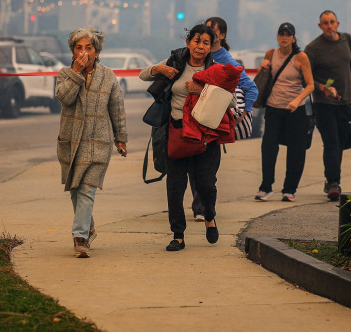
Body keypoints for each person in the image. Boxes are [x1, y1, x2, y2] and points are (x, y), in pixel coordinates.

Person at [139, 23, 234, 251]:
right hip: (177, 133)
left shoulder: (218, 69)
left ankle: (210, 216)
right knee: (175, 187)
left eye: (206, 43)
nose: (200, 47)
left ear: (211, 47)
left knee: (206, 185)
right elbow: (143, 75)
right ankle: (178, 235)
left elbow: (231, 101)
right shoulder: (176, 62)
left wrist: (202, 90)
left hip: (204, 137)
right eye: (196, 41)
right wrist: (160, 70)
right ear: (188, 42)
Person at [55, 27, 127, 258]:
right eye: (79, 48)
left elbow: (117, 109)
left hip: (98, 142)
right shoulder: (65, 74)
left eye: (89, 48)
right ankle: (88, 225)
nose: (84, 52)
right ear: (73, 51)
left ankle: (80, 238)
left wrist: (121, 138)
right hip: (71, 142)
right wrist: (76, 73)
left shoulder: (108, 76)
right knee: (75, 190)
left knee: (87, 190)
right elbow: (64, 98)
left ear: (97, 52)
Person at [184, 16, 258, 221]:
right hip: (191, 119)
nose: (204, 34)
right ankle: (200, 206)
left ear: (221, 36)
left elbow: (250, 87)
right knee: (192, 164)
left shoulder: (223, 59)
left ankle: (202, 208)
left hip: (210, 121)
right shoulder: (192, 55)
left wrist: (244, 112)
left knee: (205, 167)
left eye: (211, 32)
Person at [304, 11, 351, 202]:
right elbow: (306, 76)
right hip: (324, 104)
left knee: (342, 141)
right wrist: (321, 87)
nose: (329, 26)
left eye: (332, 22)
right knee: (332, 142)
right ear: (320, 26)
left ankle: (332, 179)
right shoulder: (313, 48)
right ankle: (333, 182)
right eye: (325, 23)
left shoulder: (347, 40)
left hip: (345, 101)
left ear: (337, 23)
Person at [254, 22, 316, 203]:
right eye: (281, 34)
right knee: (268, 146)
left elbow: (310, 85)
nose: (284, 37)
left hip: (295, 110)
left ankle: (289, 190)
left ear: (294, 38)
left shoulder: (300, 57)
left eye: (288, 34)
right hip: (273, 108)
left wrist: (297, 100)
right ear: (277, 37)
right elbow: (262, 79)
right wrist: (262, 68)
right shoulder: (270, 54)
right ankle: (266, 186)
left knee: (296, 150)